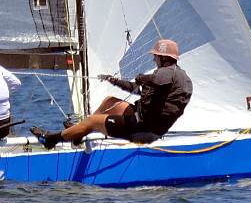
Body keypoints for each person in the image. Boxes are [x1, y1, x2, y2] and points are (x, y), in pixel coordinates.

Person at [31, 39, 191, 149]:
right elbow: (136, 88)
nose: (153, 59)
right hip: (141, 118)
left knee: (94, 121)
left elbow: (154, 80)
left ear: (163, 58)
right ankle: (79, 131)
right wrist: (112, 80)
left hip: (141, 129)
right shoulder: (174, 76)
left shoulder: (168, 73)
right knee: (110, 101)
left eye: (155, 56)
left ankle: (51, 140)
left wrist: (142, 77)